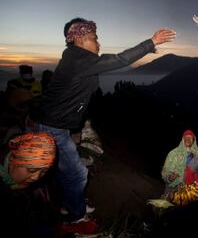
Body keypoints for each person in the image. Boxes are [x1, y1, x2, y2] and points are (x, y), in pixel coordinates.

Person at [27, 17, 176, 230]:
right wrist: (151, 42)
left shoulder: (77, 59)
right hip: (53, 127)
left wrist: (75, 130)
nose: (98, 43)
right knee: (78, 174)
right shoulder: (79, 60)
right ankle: (75, 219)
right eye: (94, 38)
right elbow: (119, 59)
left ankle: (71, 204)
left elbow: (76, 100)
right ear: (79, 40)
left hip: (57, 125)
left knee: (67, 170)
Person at [0, 132, 56, 236]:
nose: (36, 177)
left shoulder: (39, 186)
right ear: (13, 161)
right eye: (31, 170)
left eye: (43, 171)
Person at [161, 129, 198, 193]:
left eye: (190, 137)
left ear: (193, 141)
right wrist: (169, 178)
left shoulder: (197, 157)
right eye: (186, 137)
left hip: (187, 193)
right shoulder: (173, 153)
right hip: (171, 190)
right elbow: (164, 173)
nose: (188, 139)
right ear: (182, 140)